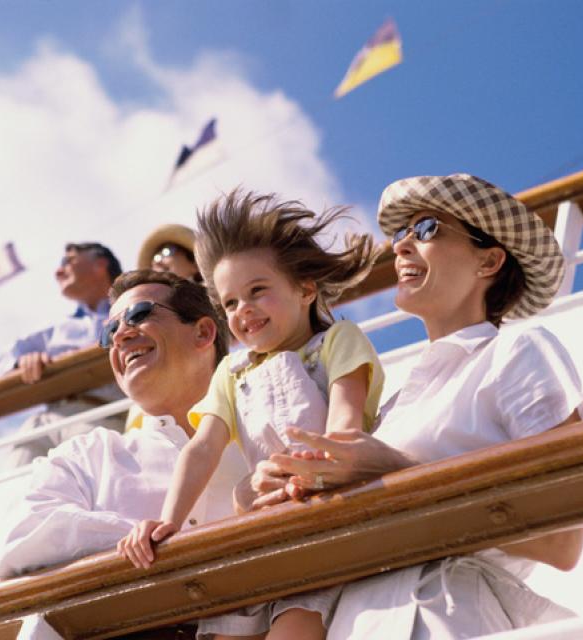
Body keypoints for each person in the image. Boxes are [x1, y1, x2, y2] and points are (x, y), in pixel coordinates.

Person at [246, 174, 583, 639]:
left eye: (426, 229)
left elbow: (563, 540)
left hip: (449, 616)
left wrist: (397, 470)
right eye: (400, 234)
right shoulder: (394, 406)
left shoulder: (517, 353)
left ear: (488, 260)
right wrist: (285, 487)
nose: (402, 246)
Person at [118, 191, 385, 640]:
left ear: (304, 288)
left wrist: (318, 469)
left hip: (330, 517)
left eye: (257, 291)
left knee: (294, 622)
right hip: (265, 528)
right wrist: (170, 521)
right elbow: (203, 448)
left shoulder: (337, 342)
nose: (244, 311)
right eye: (231, 303)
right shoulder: (231, 371)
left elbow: (345, 419)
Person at [0, 270, 247, 579]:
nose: (120, 335)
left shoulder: (268, 425)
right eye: (109, 331)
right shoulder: (87, 455)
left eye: (140, 314)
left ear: (203, 333)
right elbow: (20, 538)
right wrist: (142, 539)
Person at [0, 242, 126, 468]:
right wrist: (20, 362)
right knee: (12, 494)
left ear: (100, 264)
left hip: (104, 415)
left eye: (68, 261)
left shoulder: (133, 308)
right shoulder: (56, 330)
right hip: (43, 424)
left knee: (95, 496)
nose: (57, 271)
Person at [125, 224, 203, 432]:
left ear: (194, 264)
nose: (158, 261)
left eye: (167, 252)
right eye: (154, 259)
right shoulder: (145, 316)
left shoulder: (226, 297)